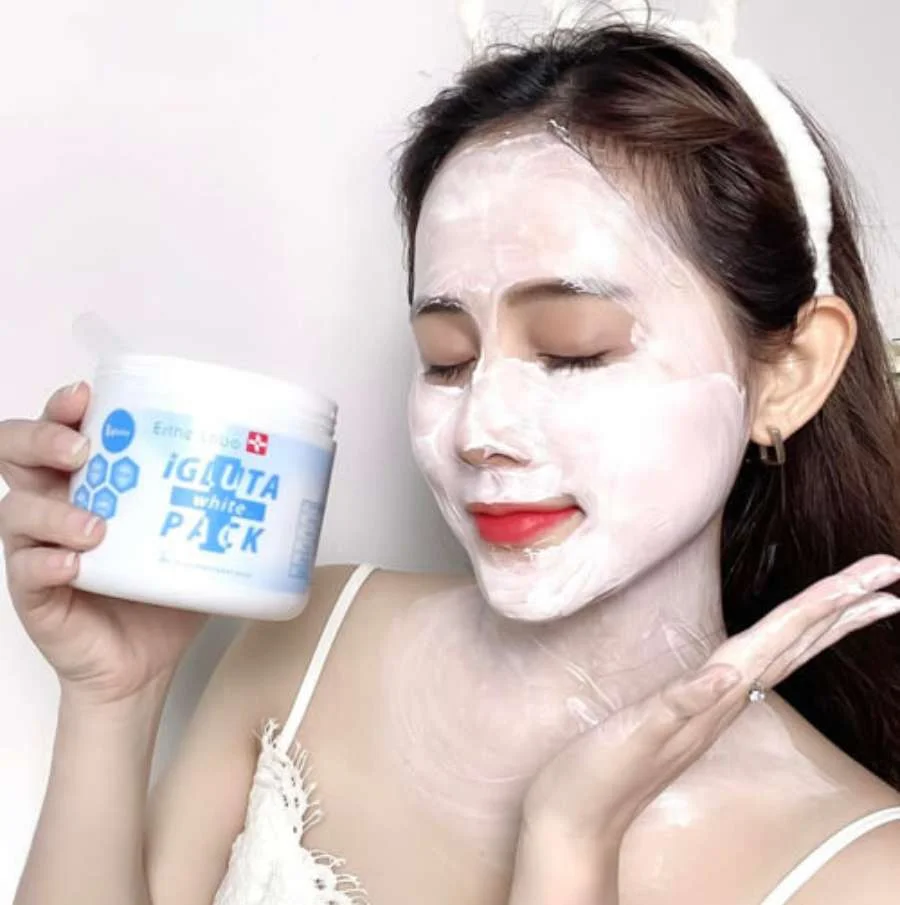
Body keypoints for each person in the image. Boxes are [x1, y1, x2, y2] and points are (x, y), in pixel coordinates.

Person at [5, 10, 900, 905]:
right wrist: (113, 697)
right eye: (447, 358)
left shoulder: (864, 868)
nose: (480, 427)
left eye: (574, 348)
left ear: (791, 374)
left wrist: (568, 841)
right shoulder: (315, 633)